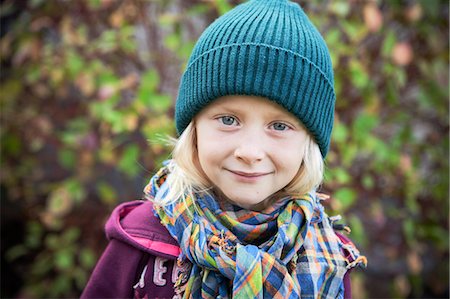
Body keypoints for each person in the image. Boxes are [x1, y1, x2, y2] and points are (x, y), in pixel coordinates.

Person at [81, 0, 367, 298]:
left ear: (309, 144)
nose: (250, 151)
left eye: (279, 126)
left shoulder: (330, 261)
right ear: (195, 131)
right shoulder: (140, 240)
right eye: (228, 120)